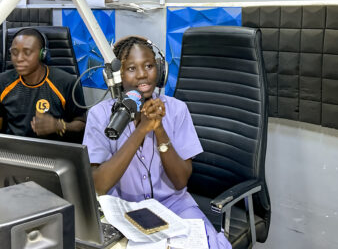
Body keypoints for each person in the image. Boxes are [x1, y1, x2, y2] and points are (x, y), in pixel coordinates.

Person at [83, 36, 232, 249]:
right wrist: (141, 130)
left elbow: (180, 181)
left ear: (160, 71)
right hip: (126, 211)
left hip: (175, 207)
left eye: (149, 66)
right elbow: (100, 185)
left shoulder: (177, 110)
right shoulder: (99, 116)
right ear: (117, 76)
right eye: (131, 68)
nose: (143, 74)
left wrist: (159, 129)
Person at [0, 28, 86, 143]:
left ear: (42, 54)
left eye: (27, 52)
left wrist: (58, 125)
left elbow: (82, 125)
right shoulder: (2, 82)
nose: (19, 59)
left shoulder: (66, 82)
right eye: (14, 52)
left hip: (54, 154)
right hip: (13, 153)